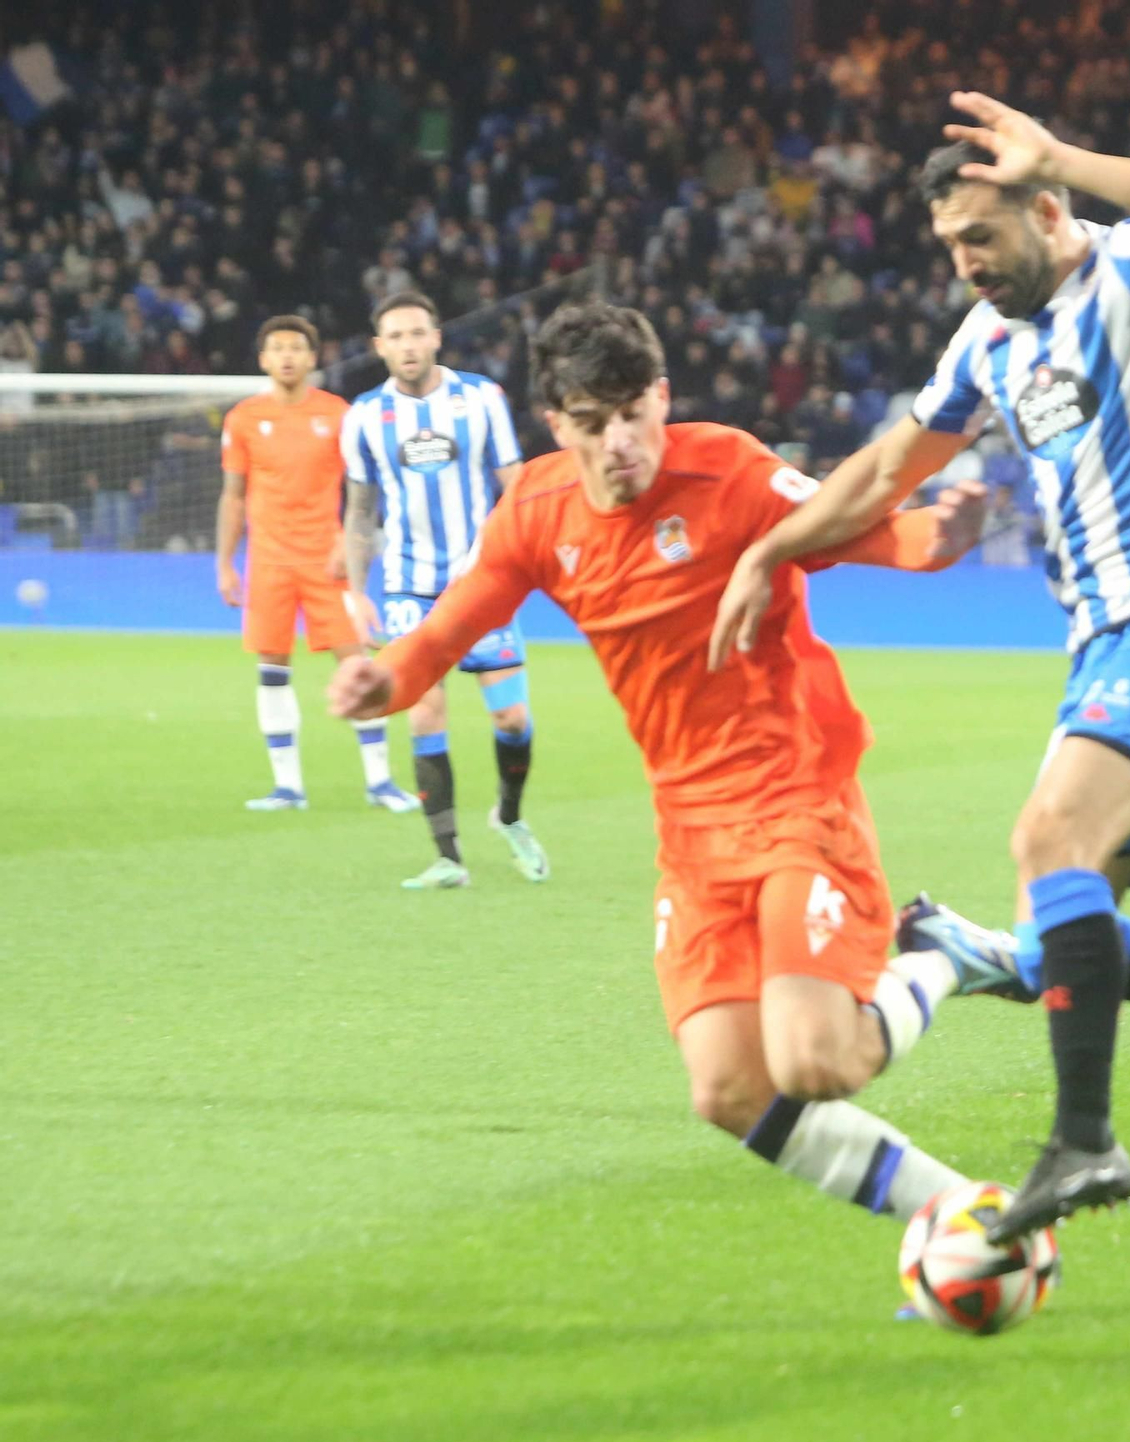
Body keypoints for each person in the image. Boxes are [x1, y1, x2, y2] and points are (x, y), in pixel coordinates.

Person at [708, 95, 1130, 1245]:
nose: (967, 262)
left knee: (1045, 842)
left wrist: (1067, 153)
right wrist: (772, 547)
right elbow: (887, 466)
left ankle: (1084, 1140)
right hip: (1101, 650)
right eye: (948, 247)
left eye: (982, 235)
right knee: (1059, 941)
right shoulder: (985, 342)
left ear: (1043, 208)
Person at [328, 302, 994, 1235]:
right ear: (556, 426)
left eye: (632, 412)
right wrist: (380, 679)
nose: (619, 442)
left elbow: (877, 533)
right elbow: (440, 636)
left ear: (662, 398)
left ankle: (939, 960)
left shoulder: (728, 466)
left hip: (796, 787)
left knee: (816, 1064)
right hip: (690, 823)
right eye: (591, 423)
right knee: (725, 1088)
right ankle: (965, 1214)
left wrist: (942, 539)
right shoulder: (534, 510)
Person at [340, 291, 541, 890]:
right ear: (379, 347)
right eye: (394, 337)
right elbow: (358, 512)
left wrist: (509, 557)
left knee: (510, 717)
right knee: (424, 712)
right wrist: (355, 591)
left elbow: (517, 486)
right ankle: (448, 855)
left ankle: (509, 814)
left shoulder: (480, 399)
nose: (407, 345)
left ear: (436, 338)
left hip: (482, 586)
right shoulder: (365, 416)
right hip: (408, 588)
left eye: (416, 333)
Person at [216, 314, 417, 815]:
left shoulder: (340, 414)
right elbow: (233, 496)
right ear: (263, 360)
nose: (287, 356)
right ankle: (287, 787)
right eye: (277, 348)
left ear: (312, 358)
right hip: (269, 563)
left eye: (296, 348)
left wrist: (352, 546)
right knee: (272, 669)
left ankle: (381, 781)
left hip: (329, 560)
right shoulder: (243, 418)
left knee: (359, 663)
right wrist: (225, 563)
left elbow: (363, 490)